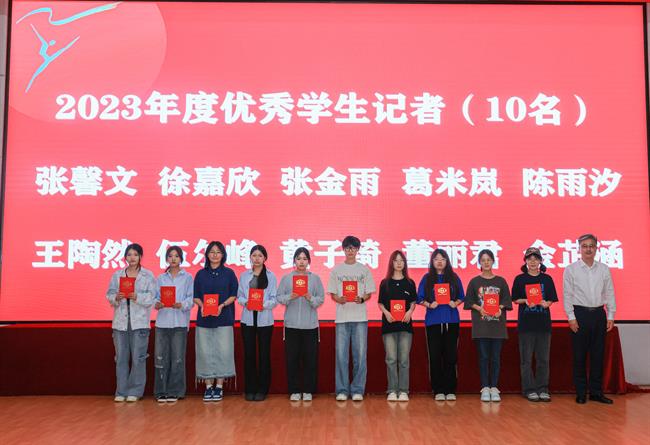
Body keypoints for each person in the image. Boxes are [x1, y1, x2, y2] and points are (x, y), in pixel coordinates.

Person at [563, 234, 616, 405]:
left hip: (599, 314)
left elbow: (609, 292)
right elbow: (567, 295)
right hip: (580, 314)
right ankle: (581, 393)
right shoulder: (571, 269)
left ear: (596, 248)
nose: (588, 249)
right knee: (579, 356)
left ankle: (596, 392)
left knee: (598, 356)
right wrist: (571, 317)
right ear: (579, 249)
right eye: (584, 246)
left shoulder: (604, 269)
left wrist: (611, 315)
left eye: (591, 246)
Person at [327, 235, 376, 401]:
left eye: (353, 248)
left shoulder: (364, 270)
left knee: (360, 356)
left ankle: (357, 390)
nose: (350, 251)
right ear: (343, 249)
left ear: (357, 250)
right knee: (341, 356)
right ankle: (342, 390)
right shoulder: (336, 270)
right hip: (342, 318)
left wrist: (361, 299)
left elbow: (369, 292)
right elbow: (333, 293)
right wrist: (338, 299)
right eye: (348, 248)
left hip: (360, 318)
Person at [106, 243, 156, 402]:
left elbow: (153, 298)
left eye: (135, 254)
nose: (132, 257)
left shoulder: (148, 275)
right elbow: (109, 294)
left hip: (139, 322)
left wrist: (137, 297)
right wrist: (116, 297)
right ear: (125, 257)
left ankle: (135, 391)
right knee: (121, 358)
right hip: (120, 322)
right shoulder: (117, 275)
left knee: (138, 358)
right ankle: (121, 391)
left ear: (140, 256)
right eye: (129, 255)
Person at [276, 247, 325, 401]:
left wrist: (310, 298)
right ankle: (295, 390)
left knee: (310, 359)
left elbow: (321, 298)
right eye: (298, 258)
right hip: (291, 326)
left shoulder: (315, 279)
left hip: (310, 326)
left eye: (304, 259)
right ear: (294, 261)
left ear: (309, 261)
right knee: (292, 359)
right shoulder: (286, 278)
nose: (301, 262)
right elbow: (279, 297)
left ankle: (308, 390)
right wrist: (290, 297)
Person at [417, 248, 465, 401]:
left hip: (451, 320)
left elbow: (461, 296)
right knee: (435, 355)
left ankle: (450, 389)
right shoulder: (427, 278)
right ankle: (437, 389)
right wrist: (429, 304)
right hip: (433, 321)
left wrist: (455, 303)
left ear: (447, 261)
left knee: (451, 356)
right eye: (436, 259)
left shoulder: (453, 277)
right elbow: (419, 298)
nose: (439, 262)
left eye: (442, 259)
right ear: (432, 261)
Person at [464, 249, 512, 402]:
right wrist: (480, 308)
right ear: (479, 262)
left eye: (488, 260)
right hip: (481, 327)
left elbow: (507, 301)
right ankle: (485, 387)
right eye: (483, 260)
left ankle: (494, 387)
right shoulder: (474, 282)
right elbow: (468, 302)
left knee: (495, 358)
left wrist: (500, 308)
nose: (486, 262)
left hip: (497, 327)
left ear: (493, 261)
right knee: (484, 357)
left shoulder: (501, 281)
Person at [193, 241, 239, 402]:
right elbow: (196, 296)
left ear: (223, 255)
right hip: (204, 319)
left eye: (218, 252)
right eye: (212, 252)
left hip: (224, 318)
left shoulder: (229, 273)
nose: (215, 255)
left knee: (223, 352)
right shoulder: (200, 274)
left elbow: (234, 295)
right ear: (207, 254)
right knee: (204, 352)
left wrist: (222, 305)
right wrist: (202, 306)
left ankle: (219, 386)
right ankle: (208, 387)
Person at [511, 247, 558, 402]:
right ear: (525, 261)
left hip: (543, 324)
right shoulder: (520, 279)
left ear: (540, 261)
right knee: (526, 360)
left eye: (535, 258)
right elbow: (515, 299)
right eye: (529, 258)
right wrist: (525, 300)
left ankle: (543, 389)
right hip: (526, 325)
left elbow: (551, 299)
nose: (532, 261)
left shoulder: (547, 279)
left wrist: (546, 303)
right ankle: (529, 389)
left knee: (543, 359)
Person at [153, 246, 194, 403]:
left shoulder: (188, 277)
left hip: (179, 323)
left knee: (177, 359)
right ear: (166, 259)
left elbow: (191, 299)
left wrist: (182, 304)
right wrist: (157, 304)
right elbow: (154, 298)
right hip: (162, 323)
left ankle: (175, 391)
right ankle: (160, 391)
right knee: (160, 358)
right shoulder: (160, 278)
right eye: (170, 256)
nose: (173, 259)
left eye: (176, 256)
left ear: (181, 258)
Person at [237, 245, 278, 401]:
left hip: (265, 321)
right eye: (254, 255)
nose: (257, 258)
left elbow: (274, 299)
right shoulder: (244, 276)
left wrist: (263, 305)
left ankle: (262, 389)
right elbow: (239, 296)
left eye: (260, 256)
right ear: (250, 257)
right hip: (247, 320)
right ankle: (250, 388)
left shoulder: (271, 276)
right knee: (249, 355)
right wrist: (246, 302)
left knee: (264, 355)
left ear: (265, 258)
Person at [377, 250, 416, 402]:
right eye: (396, 260)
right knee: (391, 359)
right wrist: (386, 313)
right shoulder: (385, 283)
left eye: (401, 261)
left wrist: (410, 312)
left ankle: (404, 391)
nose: (399, 263)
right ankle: (392, 390)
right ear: (391, 263)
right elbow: (380, 303)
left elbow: (413, 302)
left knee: (404, 360)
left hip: (405, 326)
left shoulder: (410, 283)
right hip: (389, 326)